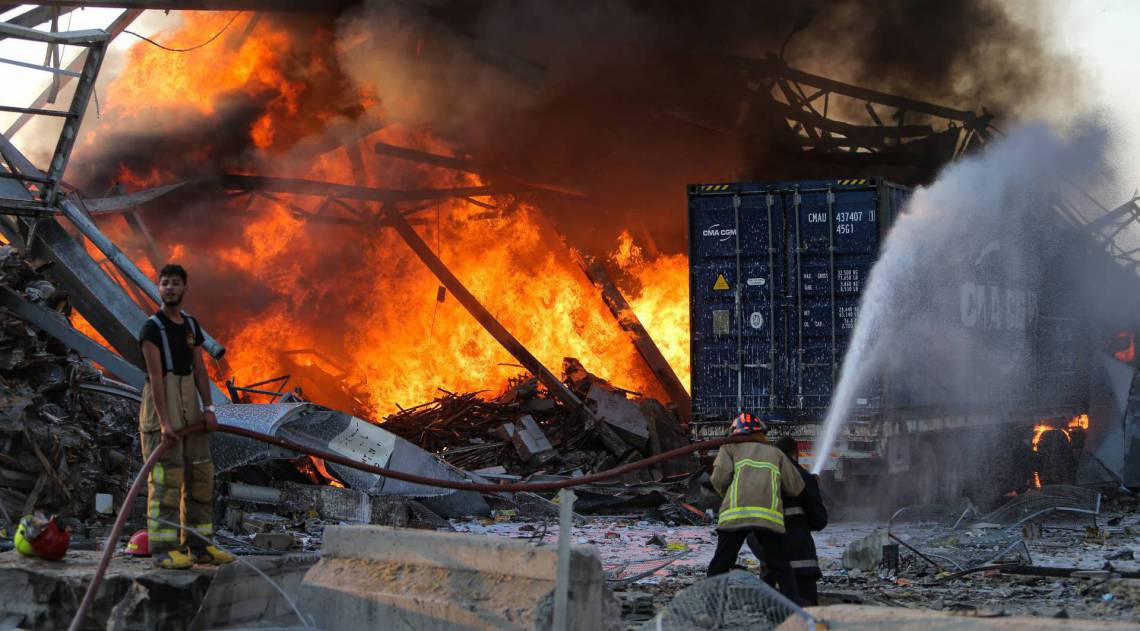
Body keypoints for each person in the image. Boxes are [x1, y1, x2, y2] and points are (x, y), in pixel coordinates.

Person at [138, 264, 234, 569]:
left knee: (201, 475)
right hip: (162, 402)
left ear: (184, 288)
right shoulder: (152, 328)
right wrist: (165, 423)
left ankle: (200, 546)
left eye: (175, 283)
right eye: (164, 283)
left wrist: (209, 409)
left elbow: (199, 369)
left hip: (190, 404)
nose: (169, 288)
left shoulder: (191, 325)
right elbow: (155, 377)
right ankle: (165, 550)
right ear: (159, 288)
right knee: (166, 481)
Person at [707, 413, 804, 602]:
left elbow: (719, 479)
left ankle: (710, 609)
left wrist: (727, 495)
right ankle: (794, 609)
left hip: (736, 513)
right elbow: (796, 487)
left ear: (734, 431)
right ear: (762, 432)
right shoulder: (776, 453)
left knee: (721, 563)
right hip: (768, 517)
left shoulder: (729, 448)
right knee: (781, 564)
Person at [768, 436, 828, 605]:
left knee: (775, 613)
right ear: (797, 453)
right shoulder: (804, 477)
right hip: (801, 562)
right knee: (805, 610)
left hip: (772, 561)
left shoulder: (766, 477)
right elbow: (819, 521)